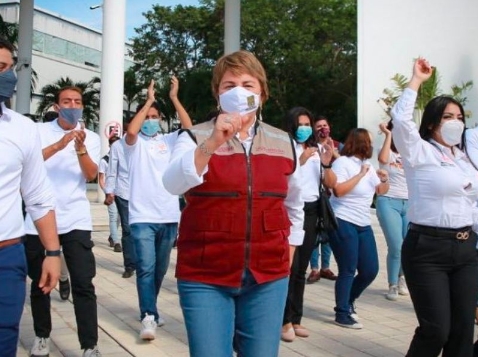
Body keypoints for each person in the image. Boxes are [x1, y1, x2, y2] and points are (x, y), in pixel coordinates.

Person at [162, 50, 304, 357]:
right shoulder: (193, 136)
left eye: (247, 84)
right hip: (205, 274)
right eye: (229, 85)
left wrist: (289, 250)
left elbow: (295, 205)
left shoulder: (284, 143)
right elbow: (173, 183)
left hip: (268, 276)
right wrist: (212, 142)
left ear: (262, 93)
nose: (238, 91)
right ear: (217, 94)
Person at [391, 58, 478, 357]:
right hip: (427, 249)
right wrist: (415, 80)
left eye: (459, 116)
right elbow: (401, 122)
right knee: (436, 330)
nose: (455, 122)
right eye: (447, 117)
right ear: (431, 123)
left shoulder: (466, 158)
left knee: (463, 332)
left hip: (466, 250)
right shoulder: (420, 151)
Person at [24, 86, 102, 357]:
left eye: (77, 101)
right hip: (38, 218)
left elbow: (91, 175)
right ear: (57, 106)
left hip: (75, 219)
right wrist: (61, 143)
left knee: (83, 283)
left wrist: (80, 148)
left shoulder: (90, 136)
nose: (72, 105)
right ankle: (42, 336)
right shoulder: (38, 131)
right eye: (66, 101)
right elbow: (29, 163)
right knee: (40, 283)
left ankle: (89, 345)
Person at [0, 37, 60, 357]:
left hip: (7, 256)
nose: (5, 76)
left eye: (7, 68)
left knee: (5, 339)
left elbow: (37, 194)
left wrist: (52, 251)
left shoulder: (22, 128)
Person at [124, 78, 192, 341]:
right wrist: (149, 101)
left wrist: (174, 98)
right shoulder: (133, 144)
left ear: (161, 119)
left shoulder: (170, 140)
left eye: (155, 116)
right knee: (146, 267)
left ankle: (150, 306)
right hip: (142, 217)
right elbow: (131, 131)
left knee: (161, 268)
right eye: (147, 117)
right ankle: (148, 316)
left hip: (168, 216)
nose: (151, 120)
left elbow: (188, 128)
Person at [281, 107, 336, 342]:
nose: (304, 128)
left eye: (307, 124)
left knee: (302, 269)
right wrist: (300, 162)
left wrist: (325, 163)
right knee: (289, 269)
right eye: (300, 124)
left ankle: (296, 319)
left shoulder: (315, 150)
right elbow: (282, 178)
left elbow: (331, 184)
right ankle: (283, 321)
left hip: (313, 212)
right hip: (293, 211)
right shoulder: (286, 148)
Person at [329, 128, 389, 329]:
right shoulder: (342, 163)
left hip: (363, 223)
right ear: (361, 143)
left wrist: (383, 179)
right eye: (370, 142)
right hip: (343, 220)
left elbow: (380, 191)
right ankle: (342, 313)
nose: (371, 146)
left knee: (370, 270)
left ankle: (349, 300)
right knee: (348, 268)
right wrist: (360, 175)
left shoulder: (367, 165)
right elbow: (338, 191)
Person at [376, 120, 409, 301]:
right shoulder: (387, 151)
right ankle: (392, 285)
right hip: (389, 201)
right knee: (396, 245)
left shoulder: (410, 152)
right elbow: (382, 160)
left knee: (408, 245)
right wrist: (388, 134)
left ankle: (402, 277)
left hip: (409, 203)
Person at [307, 116, 340, 283]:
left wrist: (332, 150)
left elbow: (343, 164)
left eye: (324, 126)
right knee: (315, 232)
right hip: (315, 193)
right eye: (318, 126)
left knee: (327, 231)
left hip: (331, 194)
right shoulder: (311, 147)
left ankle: (325, 266)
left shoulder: (337, 146)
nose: (322, 129)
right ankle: (314, 268)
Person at [104, 136, 136, 278]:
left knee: (144, 230)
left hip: (144, 194)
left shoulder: (149, 143)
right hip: (123, 193)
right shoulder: (118, 146)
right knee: (128, 229)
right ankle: (129, 265)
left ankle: (144, 261)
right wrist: (109, 192)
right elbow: (111, 171)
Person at [99, 135, 122, 252]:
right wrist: (107, 191)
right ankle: (117, 242)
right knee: (113, 216)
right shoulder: (105, 160)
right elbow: (101, 178)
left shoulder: (124, 158)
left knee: (119, 216)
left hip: (122, 192)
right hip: (110, 192)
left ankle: (112, 236)